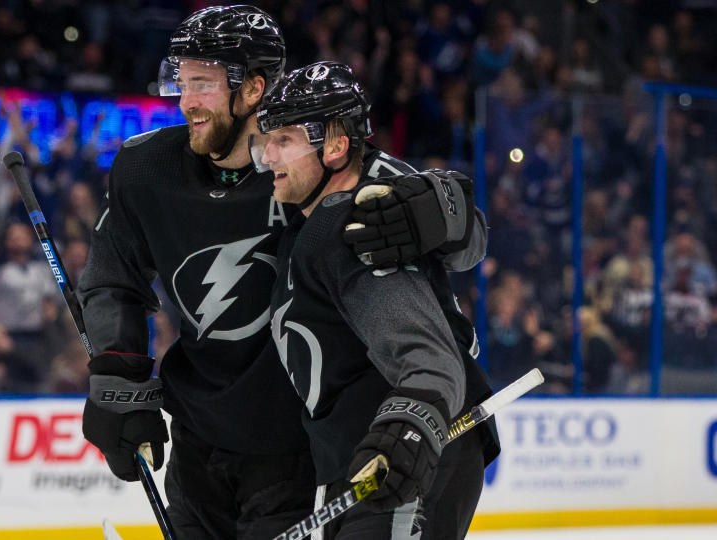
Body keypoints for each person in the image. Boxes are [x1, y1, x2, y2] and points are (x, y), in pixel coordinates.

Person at [77, 6, 486, 538]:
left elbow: (464, 242)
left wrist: (440, 212)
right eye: (181, 81)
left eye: (202, 83)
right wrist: (118, 375)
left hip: (292, 453)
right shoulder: (146, 169)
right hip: (199, 442)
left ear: (253, 89)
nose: (185, 100)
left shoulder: (312, 174)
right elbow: (113, 278)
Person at [254, 61, 499, 539]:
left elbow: (428, 357)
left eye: (284, 139)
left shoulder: (358, 221)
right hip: (364, 452)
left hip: (411, 441)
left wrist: (411, 420)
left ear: (337, 144)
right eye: (268, 138)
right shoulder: (311, 214)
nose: (269, 154)